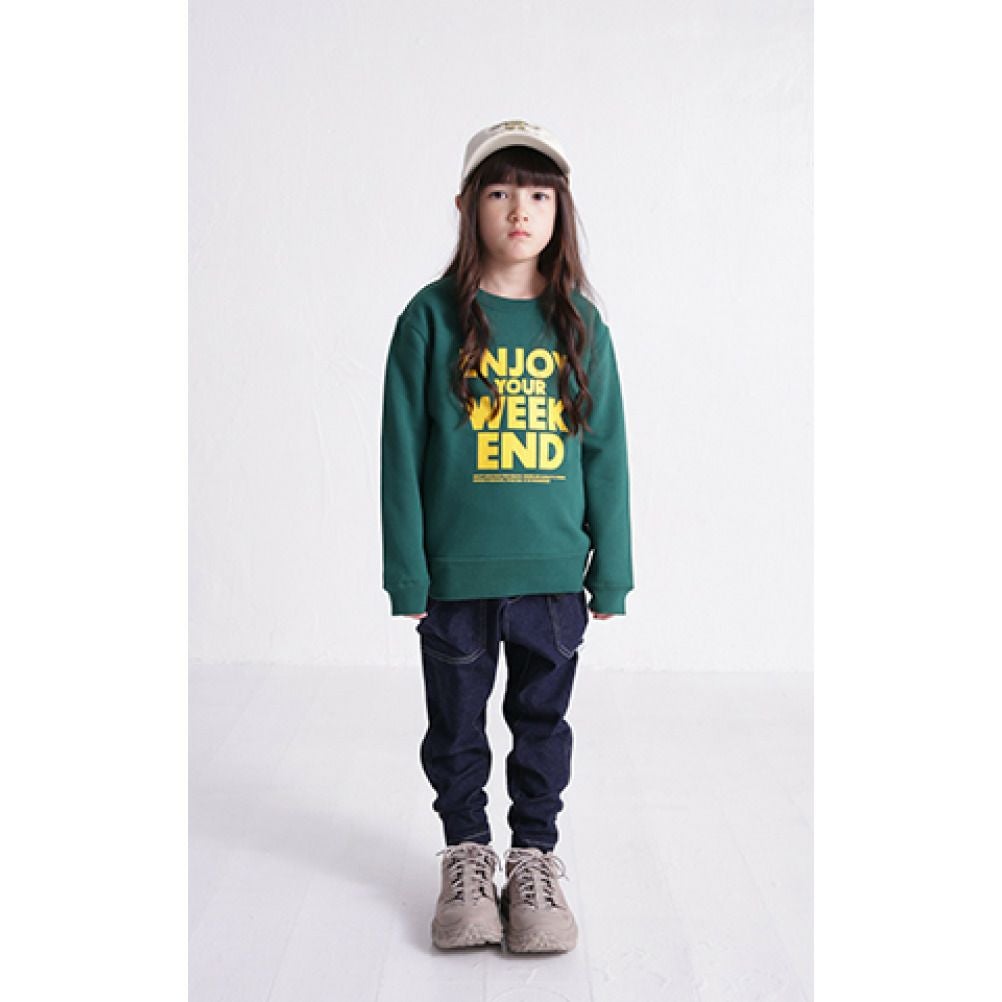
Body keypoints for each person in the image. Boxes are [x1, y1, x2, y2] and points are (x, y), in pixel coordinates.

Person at [380, 119, 634, 954]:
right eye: (499, 192)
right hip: (456, 576)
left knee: (541, 725)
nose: (519, 211)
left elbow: (605, 454)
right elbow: (401, 453)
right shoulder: (429, 319)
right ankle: (465, 858)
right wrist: (408, 574)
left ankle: (533, 862)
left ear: (560, 210)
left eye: (537, 195)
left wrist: (612, 569)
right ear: (466, 206)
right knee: (455, 730)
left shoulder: (580, 324)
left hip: (553, 578)